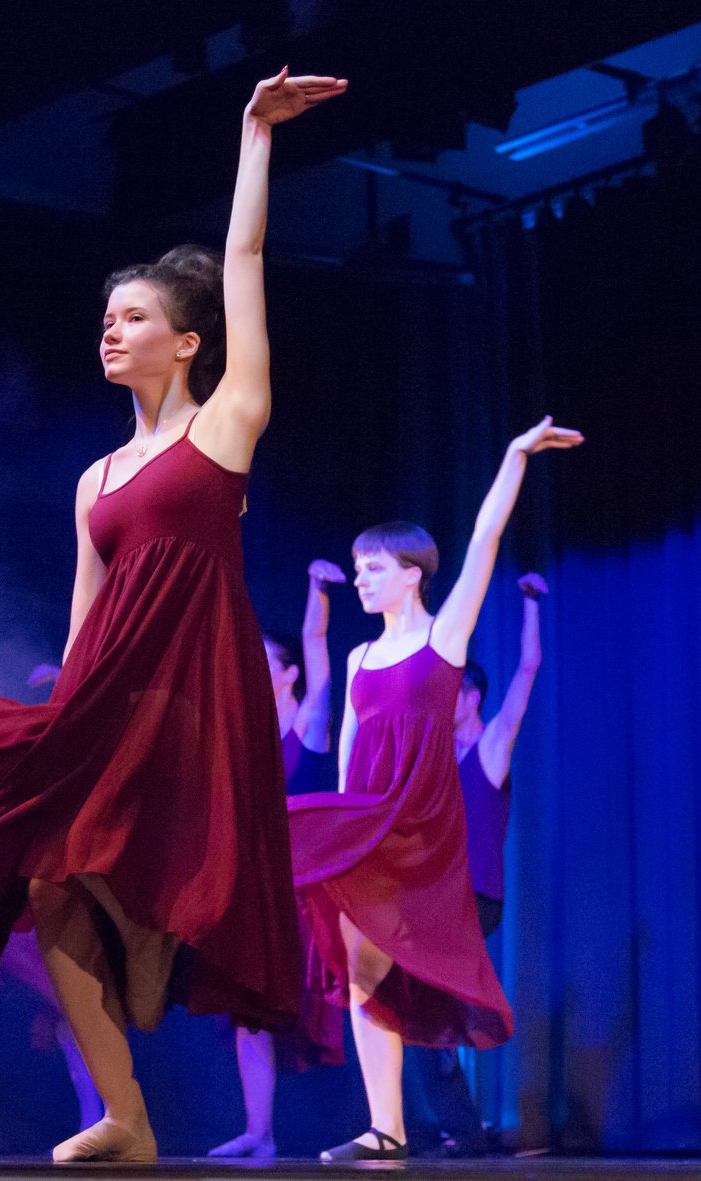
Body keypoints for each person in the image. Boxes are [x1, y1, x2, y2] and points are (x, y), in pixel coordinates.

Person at [0, 69, 350, 1163]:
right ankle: (127, 1115)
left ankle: (154, 949)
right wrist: (58, 724)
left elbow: (243, 259)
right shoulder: (95, 478)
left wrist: (254, 137)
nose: (110, 332)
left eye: (134, 318)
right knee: (44, 875)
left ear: (187, 342)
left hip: (195, 691)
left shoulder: (227, 423)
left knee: (159, 885)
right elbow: (84, 613)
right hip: (110, 695)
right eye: (105, 319)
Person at [288, 416, 582, 1161]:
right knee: (361, 965)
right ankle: (385, 1125)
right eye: (357, 569)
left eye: (372, 568)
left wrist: (514, 454)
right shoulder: (358, 658)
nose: (360, 579)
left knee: (384, 963)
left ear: (412, 573)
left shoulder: (442, 639)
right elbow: (349, 751)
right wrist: (344, 831)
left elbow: (485, 537)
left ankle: (419, 1121)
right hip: (368, 822)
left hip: (420, 824)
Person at [211, 558, 344, 1158]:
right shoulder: (244, 731)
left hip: (306, 889)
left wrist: (316, 589)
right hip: (255, 885)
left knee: (316, 1009)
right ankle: (258, 1133)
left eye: (263, 661)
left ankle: (372, 1126)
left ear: (288, 674)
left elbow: (316, 644)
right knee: (249, 1009)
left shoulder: (309, 722)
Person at [410, 571, 547, 1155]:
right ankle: (464, 1129)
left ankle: (457, 1027)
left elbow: (528, 671)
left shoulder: (491, 748)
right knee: (415, 1010)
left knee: (430, 1005)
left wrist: (530, 605)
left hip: (475, 897)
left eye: (452, 693)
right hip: (435, 899)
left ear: (471, 698)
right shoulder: (434, 753)